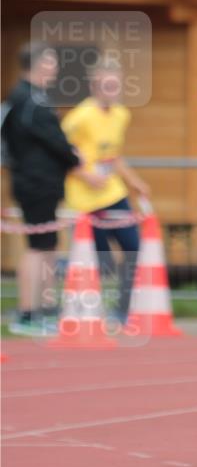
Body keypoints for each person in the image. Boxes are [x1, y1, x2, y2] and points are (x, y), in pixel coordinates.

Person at [61, 56, 150, 324]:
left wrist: (134, 180)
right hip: (85, 198)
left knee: (134, 248)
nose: (111, 91)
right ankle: (84, 305)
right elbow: (58, 153)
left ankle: (122, 310)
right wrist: (84, 174)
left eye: (116, 85)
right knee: (101, 262)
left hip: (113, 192)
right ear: (94, 86)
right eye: (106, 85)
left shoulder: (122, 115)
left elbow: (114, 155)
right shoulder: (80, 117)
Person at [3, 42, 80, 335]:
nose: (55, 68)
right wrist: (74, 157)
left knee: (48, 246)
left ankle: (46, 310)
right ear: (36, 65)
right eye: (51, 63)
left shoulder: (30, 97)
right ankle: (27, 314)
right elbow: (54, 140)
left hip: (42, 183)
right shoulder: (29, 99)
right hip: (35, 183)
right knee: (37, 247)